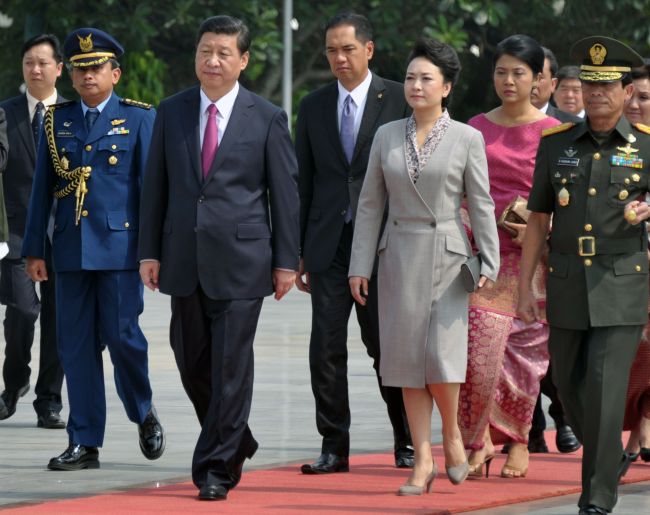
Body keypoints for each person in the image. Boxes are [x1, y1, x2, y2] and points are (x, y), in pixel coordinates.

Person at [138, 15, 299, 501]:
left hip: (243, 259)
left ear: (243, 60)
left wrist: (287, 260)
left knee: (231, 366)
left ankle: (215, 469)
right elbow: (156, 187)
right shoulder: (171, 111)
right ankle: (238, 438)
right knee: (192, 363)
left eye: (224, 53)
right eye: (205, 51)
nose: (212, 60)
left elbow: (284, 194)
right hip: (182, 256)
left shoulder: (266, 116)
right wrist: (149, 250)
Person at [348, 37, 499, 495]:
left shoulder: (467, 138)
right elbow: (371, 204)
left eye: (426, 78)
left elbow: (482, 200)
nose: (415, 85)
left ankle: (452, 436)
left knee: (440, 357)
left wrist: (488, 256)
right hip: (396, 255)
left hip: (448, 257)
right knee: (404, 362)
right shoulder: (386, 134)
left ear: (446, 87)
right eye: (411, 77)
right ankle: (423, 459)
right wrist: (360, 265)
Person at [22, 27, 164, 470]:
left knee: (124, 339)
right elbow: (42, 190)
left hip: (120, 252)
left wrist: (152, 251)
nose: (87, 76)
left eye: (96, 67)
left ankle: (142, 410)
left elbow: (151, 193)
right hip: (68, 250)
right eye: (80, 68)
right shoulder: (56, 120)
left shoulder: (139, 118)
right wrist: (34, 249)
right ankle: (84, 440)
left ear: (115, 73)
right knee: (75, 347)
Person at [518, 36, 649, 515]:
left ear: (625, 92)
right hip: (568, 280)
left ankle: (595, 498)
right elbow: (537, 219)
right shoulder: (556, 146)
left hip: (622, 281)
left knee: (604, 385)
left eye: (607, 86)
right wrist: (525, 288)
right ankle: (607, 454)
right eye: (589, 85)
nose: (596, 94)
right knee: (569, 387)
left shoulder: (646, 146)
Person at [295, 12, 413, 474]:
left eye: (347, 48)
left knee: (386, 348)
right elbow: (303, 181)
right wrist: (298, 250)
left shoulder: (401, 98)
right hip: (328, 244)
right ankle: (333, 445)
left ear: (369, 49)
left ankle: (405, 439)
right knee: (324, 348)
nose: (338, 58)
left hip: (383, 244)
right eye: (330, 50)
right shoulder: (313, 104)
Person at [458, 34, 560, 480]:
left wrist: (542, 226)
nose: (509, 80)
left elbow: (568, 201)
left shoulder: (556, 135)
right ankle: (477, 440)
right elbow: (458, 192)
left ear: (538, 79)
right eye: (501, 71)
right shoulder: (475, 127)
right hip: (485, 258)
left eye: (519, 72)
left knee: (523, 357)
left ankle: (519, 439)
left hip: (535, 261)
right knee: (478, 350)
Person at [0, 34, 65, 429]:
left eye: (43, 62)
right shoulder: (4, 114)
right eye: (28, 63)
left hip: (66, 237)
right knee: (21, 312)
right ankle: (13, 385)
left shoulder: (74, 115)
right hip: (19, 237)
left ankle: (49, 401)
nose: (35, 69)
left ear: (59, 68)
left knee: (60, 320)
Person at [528, 47, 581, 455]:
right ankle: (530, 426)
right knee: (514, 342)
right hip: (510, 249)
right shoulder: (488, 126)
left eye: (534, 75)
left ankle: (562, 414)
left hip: (555, 250)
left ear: (548, 81)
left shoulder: (566, 129)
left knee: (552, 346)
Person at [621, 59, 650, 463]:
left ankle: (644, 425)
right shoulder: (614, 143)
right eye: (630, 95)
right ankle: (639, 422)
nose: (635, 104)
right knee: (636, 348)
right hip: (622, 264)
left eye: (644, 97)